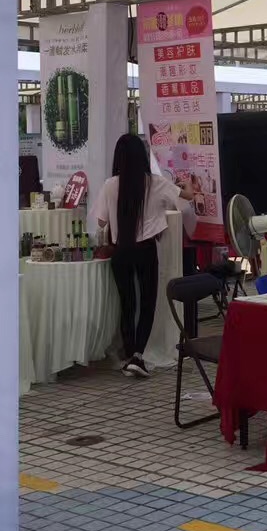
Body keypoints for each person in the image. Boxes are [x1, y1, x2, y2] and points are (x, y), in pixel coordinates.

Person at [92, 134, 197, 378]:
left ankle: (129, 355)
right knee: (148, 302)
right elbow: (187, 197)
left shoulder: (110, 184)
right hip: (146, 250)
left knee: (127, 304)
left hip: (121, 252)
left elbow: (101, 222)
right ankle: (138, 355)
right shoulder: (156, 183)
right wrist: (187, 185)